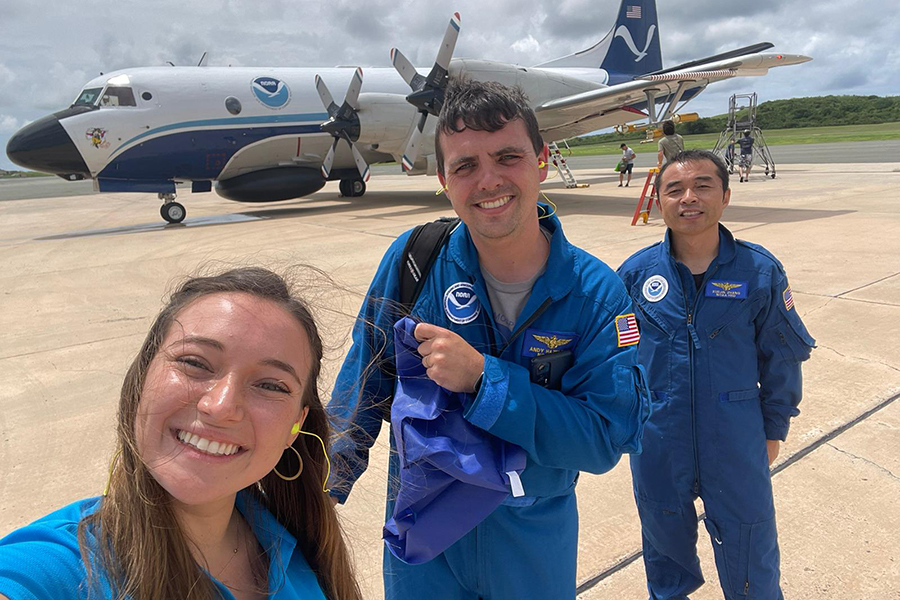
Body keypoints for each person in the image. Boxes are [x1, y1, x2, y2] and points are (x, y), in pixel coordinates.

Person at [328, 79, 651, 600]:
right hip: (423, 545)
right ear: (443, 180)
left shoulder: (596, 295)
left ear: (542, 161)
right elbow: (362, 387)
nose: (489, 180)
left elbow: (603, 438)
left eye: (507, 157)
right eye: (465, 166)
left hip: (532, 545)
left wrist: (485, 381)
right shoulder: (415, 262)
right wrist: (319, 491)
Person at [0, 268, 362, 600]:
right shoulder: (66, 567)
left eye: (270, 385)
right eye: (193, 363)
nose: (221, 406)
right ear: (142, 379)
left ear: (295, 426)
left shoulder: (296, 539)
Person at [617, 150, 815, 600]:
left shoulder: (759, 271)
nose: (689, 198)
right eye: (675, 189)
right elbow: (614, 358)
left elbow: (782, 356)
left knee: (751, 554)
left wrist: (773, 427)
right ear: (658, 202)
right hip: (658, 440)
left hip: (736, 437)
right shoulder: (634, 275)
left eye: (703, 186)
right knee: (663, 551)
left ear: (725, 196)